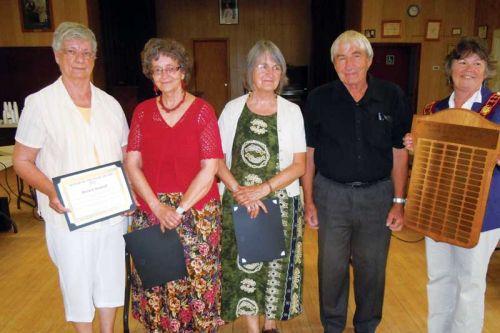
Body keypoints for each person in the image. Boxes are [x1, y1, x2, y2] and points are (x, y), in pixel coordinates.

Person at [13, 22, 129, 333]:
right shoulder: (39, 104)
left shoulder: (111, 105)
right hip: (68, 215)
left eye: (87, 53)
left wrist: (129, 193)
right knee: (77, 282)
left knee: (111, 278)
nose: (80, 59)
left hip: (112, 213)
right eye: (72, 52)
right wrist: (52, 191)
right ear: (57, 55)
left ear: (94, 58)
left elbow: (126, 156)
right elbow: (22, 161)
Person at [301, 30, 413, 333]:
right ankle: (332, 326)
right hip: (331, 195)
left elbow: (399, 152)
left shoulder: (392, 96)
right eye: (341, 57)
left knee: (372, 269)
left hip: (377, 196)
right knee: (331, 268)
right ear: (334, 64)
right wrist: (309, 200)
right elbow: (309, 154)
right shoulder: (319, 99)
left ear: (370, 59)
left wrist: (398, 202)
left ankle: (367, 326)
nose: (348, 64)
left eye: (356, 55)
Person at [124, 38, 224, 333]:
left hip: (197, 212)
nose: (165, 74)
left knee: (197, 284)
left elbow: (210, 168)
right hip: (151, 211)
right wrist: (157, 206)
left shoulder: (203, 111)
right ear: (151, 75)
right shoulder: (142, 112)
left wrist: (178, 209)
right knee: (157, 286)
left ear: (183, 72)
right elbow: (132, 163)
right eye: (157, 69)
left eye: (171, 68)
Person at [403, 36, 500, 333]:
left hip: (482, 212)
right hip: (440, 207)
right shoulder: (434, 110)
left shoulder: (497, 106)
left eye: (477, 62)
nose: (469, 68)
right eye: (462, 61)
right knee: (440, 278)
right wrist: (415, 147)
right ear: (450, 68)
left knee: (470, 283)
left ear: (486, 69)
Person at [218, 40, 306, 333]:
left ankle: (271, 326)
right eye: (262, 65)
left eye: (276, 66)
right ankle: (253, 328)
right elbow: (216, 159)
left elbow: (299, 165)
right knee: (245, 267)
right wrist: (241, 192)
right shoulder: (231, 110)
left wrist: (263, 189)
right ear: (249, 72)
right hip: (239, 202)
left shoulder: (292, 111)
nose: (269, 72)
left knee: (275, 267)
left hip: (280, 201)